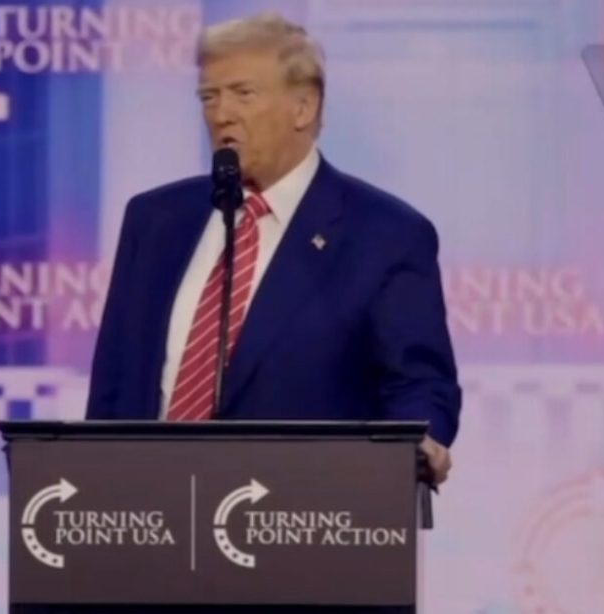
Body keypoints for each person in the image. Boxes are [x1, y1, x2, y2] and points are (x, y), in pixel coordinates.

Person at [86, 12, 461, 486]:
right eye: (209, 96)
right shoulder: (155, 219)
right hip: (149, 506)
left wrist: (418, 442)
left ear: (303, 107)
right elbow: (113, 385)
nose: (221, 114)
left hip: (301, 507)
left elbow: (419, 383)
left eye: (243, 93)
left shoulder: (385, 235)